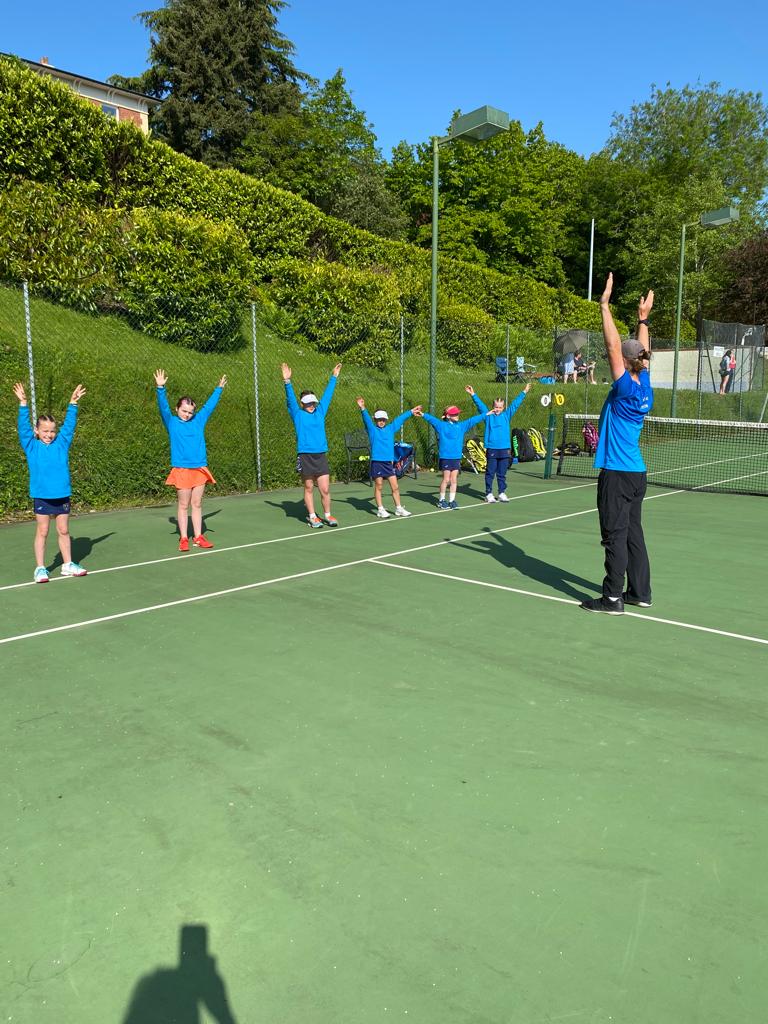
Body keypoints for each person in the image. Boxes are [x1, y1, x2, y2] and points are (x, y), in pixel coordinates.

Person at [581, 274, 654, 614]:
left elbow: (612, 347)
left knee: (614, 535)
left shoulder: (625, 388)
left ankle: (611, 598)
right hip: (636, 474)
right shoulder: (646, 386)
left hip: (617, 473)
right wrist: (643, 320)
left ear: (626, 363)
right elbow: (639, 349)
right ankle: (639, 592)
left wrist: (605, 306)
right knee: (632, 534)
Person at [14, 380, 88, 582]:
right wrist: (23, 404)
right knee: (43, 530)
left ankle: (67, 564)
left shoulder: (62, 443)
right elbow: (23, 429)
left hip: (61, 493)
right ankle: (40, 568)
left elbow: (69, 427)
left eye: (52, 431)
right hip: (42, 495)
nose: (49, 434)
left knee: (64, 530)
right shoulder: (31, 446)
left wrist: (73, 403)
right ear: (37, 431)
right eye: (45, 431)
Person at [154, 369, 227, 551]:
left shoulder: (198, 420)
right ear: (177, 409)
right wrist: (160, 387)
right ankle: (184, 538)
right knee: (184, 504)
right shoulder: (171, 422)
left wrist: (218, 389)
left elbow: (209, 407)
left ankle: (198, 537)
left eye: (190, 412)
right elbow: (163, 406)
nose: (187, 414)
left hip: (199, 468)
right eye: (184, 411)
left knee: (197, 503)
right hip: (182, 470)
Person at [282, 361, 342, 528]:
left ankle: (328, 515)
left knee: (325, 489)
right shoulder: (297, 414)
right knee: (308, 487)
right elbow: (290, 399)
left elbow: (328, 395)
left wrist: (334, 377)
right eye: (307, 403)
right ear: (302, 404)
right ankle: (312, 516)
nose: (311, 405)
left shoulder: (320, 411)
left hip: (320, 455)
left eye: (312, 403)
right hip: (305, 455)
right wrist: (287, 382)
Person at [465, 383, 531, 502]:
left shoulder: (507, 415)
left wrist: (524, 391)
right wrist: (473, 394)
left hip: (504, 449)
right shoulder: (488, 415)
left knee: (502, 473)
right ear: (493, 406)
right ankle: (488, 494)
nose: (498, 409)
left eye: (500, 407)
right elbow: (480, 406)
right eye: (496, 407)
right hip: (492, 448)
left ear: (503, 407)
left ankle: (501, 493)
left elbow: (515, 404)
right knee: (490, 472)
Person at [356, 397, 421, 518]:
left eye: (383, 419)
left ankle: (398, 508)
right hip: (377, 462)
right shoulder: (372, 430)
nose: (381, 421)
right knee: (379, 485)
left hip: (388, 463)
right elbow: (366, 420)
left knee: (395, 486)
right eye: (379, 419)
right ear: (375, 419)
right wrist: (362, 408)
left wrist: (411, 411)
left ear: (386, 420)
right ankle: (380, 509)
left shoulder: (390, 428)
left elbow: (400, 419)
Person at [416, 402, 486, 509]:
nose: (457, 415)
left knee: (454, 480)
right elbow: (431, 419)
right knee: (446, 479)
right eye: (454, 414)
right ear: (448, 416)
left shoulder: (461, 426)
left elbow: (473, 420)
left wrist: (486, 414)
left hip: (456, 458)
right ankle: (441, 500)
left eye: (457, 413)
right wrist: (422, 414)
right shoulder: (441, 425)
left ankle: (452, 500)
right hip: (446, 457)